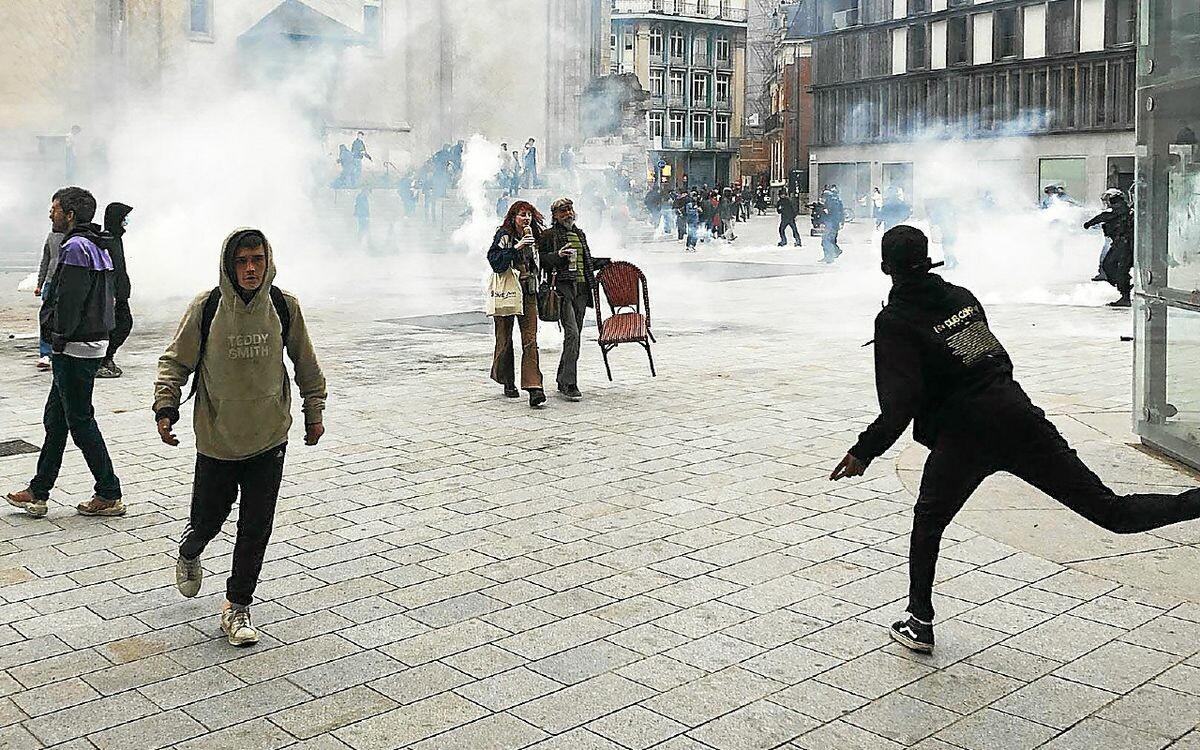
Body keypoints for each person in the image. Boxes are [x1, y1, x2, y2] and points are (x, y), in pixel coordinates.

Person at [830, 225, 1200, 654]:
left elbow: (901, 403)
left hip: (962, 438)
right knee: (1111, 512)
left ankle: (920, 621)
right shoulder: (961, 298)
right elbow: (993, 355)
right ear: (928, 258)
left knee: (928, 523)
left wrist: (864, 451)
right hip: (1018, 419)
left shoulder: (895, 320)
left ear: (884, 267)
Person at [154, 228, 327, 646]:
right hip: (217, 437)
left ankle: (237, 605)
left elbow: (305, 360)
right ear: (229, 266)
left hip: (269, 436)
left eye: (257, 260)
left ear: (268, 262)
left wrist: (313, 410)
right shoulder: (207, 307)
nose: (250, 269)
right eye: (241, 261)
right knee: (208, 520)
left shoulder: (284, 307)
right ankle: (191, 548)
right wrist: (165, 407)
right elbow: (175, 361)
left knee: (256, 526)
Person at [7, 187, 123, 519]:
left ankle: (109, 492)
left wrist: (56, 340)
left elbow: (69, 302)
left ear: (70, 215)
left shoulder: (75, 247)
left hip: (74, 348)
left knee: (80, 420)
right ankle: (38, 491)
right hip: (89, 343)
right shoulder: (98, 244)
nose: (50, 214)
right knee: (56, 420)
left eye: (55, 209)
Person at [539, 198, 603, 401]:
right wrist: (558, 255)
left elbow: (587, 262)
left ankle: (563, 378)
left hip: (582, 291)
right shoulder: (549, 235)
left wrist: (606, 262)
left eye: (570, 209)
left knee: (574, 337)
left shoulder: (579, 234)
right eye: (563, 211)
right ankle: (569, 382)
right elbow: (541, 260)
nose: (568, 214)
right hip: (563, 290)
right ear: (555, 215)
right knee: (572, 334)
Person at [487, 201, 546, 407]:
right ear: (513, 217)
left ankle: (534, 387)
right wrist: (516, 248)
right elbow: (495, 261)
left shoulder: (535, 236)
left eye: (529, 215)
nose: (526, 219)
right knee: (504, 338)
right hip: (508, 292)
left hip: (528, 293)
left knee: (530, 338)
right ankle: (507, 380)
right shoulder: (504, 236)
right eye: (522, 215)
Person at [97, 203, 133, 378]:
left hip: (120, 293)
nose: (126, 222)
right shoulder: (107, 239)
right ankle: (103, 359)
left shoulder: (116, 238)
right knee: (120, 325)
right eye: (123, 218)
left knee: (122, 324)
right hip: (112, 294)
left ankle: (107, 357)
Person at [1084, 189, 1134, 307]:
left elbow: (1104, 216)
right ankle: (1123, 287)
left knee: (1119, 269)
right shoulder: (1121, 209)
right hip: (1119, 243)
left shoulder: (1120, 209)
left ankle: (1125, 295)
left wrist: (1089, 223)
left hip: (1125, 244)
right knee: (1109, 265)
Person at [34, 228, 65, 369]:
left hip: (68, 282)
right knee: (46, 318)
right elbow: (45, 260)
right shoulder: (52, 236)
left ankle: (61, 351)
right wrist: (39, 284)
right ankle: (45, 354)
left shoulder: (77, 235)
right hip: (50, 281)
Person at [820, 186, 844, 263]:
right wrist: (841, 222)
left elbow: (827, 213)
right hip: (835, 223)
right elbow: (841, 212)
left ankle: (829, 257)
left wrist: (825, 211)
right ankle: (833, 253)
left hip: (830, 223)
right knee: (831, 240)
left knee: (826, 240)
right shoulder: (837, 201)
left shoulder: (830, 202)